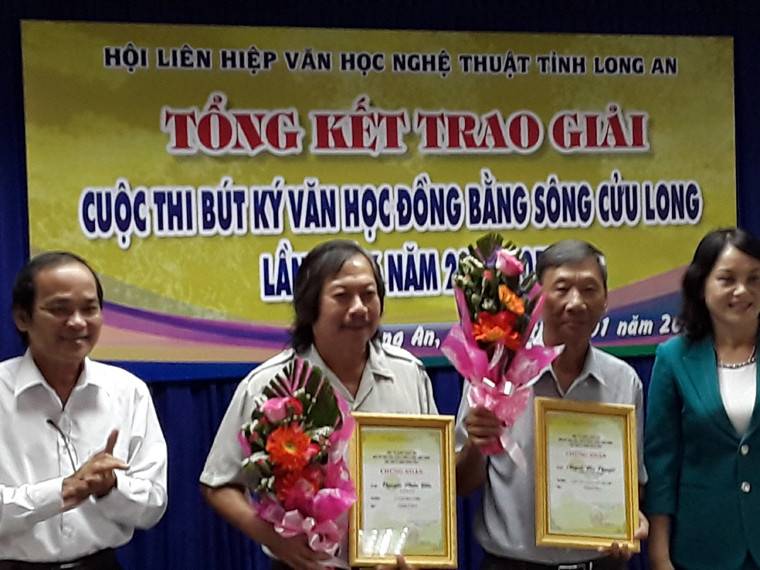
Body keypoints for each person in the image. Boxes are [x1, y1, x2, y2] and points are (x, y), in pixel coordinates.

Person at [200, 239, 437, 570]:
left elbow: (434, 474)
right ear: (309, 306)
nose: (359, 307)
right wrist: (274, 539)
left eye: (369, 294)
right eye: (342, 296)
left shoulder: (409, 374)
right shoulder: (270, 383)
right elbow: (218, 483)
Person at [456, 239, 648, 570]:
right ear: (537, 299)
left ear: (605, 300)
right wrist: (477, 442)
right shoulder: (494, 373)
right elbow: (461, 484)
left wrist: (629, 521)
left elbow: (633, 485)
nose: (576, 303)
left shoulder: (623, 381)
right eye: (562, 289)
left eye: (589, 289)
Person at [0, 252, 168, 569]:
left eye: (89, 309)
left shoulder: (128, 392)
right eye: (59, 309)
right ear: (22, 318)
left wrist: (110, 488)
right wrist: (62, 490)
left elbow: (153, 507)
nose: (77, 322)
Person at [645, 228, 760, 570]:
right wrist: (660, 555)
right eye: (727, 279)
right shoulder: (673, 358)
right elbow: (661, 465)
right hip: (703, 548)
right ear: (701, 285)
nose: (743, 290)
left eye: (754, 279)